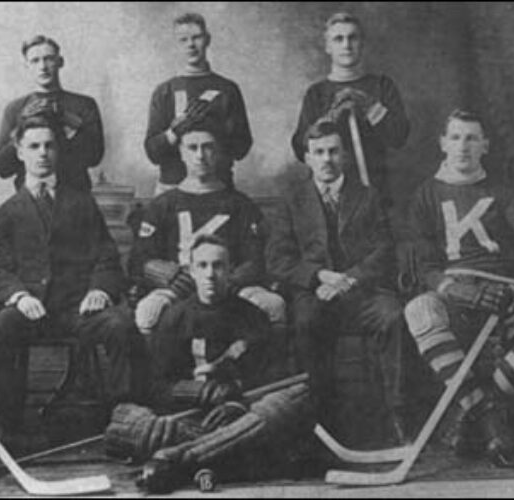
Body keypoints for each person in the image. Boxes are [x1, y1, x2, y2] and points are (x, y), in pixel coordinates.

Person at [0, 115, 145, 460]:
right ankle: (6, 430)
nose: (42, 153)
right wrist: (19, 296)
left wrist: (99, 289)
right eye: (34, 146)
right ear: (20, 152)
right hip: (30, 310)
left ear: (59, 151)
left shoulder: (81, 203)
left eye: (49, 145)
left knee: (120, 325)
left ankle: (125, 422)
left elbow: (107, 258)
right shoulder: (7, 213)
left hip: (76, 309)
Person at [104, 236, 315, 494]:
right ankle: (220, 459)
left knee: (291, 404)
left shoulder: (252, 316)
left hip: (242, 416)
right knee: (145, 425)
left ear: (230, 269)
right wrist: (201, 392)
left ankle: (177, 461)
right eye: (202, 266)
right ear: (192, 271)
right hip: (192, 418)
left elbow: (271, 379)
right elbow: (155, 386)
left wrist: (236, 402)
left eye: (218, 266)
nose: (210, 274)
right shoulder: (174, 318)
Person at [404, 109, 514, 468]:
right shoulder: (425, 195)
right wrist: (454, 289)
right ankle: (490, 418)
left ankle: (477, 405)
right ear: (442, 143)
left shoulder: (503, 189)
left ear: (485, 145)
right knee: (418, 309)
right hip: (457, 294)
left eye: (472, 138)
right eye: (455, 137)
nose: (463, 146)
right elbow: (424, 265)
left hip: (510, 294)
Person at [268, 119, 408, 435]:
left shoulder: (367, 196)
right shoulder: (293, 200)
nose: (327, 159)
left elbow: (385, 249)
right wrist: (319, 276)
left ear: (344, 155)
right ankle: (319, 417)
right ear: (307, 157)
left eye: (333, 151)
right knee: (306, 322)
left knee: (392, 316)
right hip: (315, 293)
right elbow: (278, 259)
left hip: (363, 293)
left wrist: (350, 278)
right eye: (319, 152)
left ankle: (396, 412)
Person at [132, 122, 287, 375]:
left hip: (230, 285)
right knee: (148, 311)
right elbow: (140, 259)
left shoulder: (240, 204)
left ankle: (266, 380)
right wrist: (172, 276)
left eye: (208, 148)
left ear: (219, 152)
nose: (200, 155)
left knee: (274, 305)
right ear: (181, 152)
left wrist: (228, 280)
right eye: (192, 148)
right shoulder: (162, 205)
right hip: (179, 285)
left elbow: (258, 257)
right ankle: (159, 385)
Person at [291, 12, 409, 206]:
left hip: (373, 188)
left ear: (362, 43)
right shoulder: (316, 92)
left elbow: (399, 136)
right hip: (329, 194)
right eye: (338, 39)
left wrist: (369, 105)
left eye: (352, 37)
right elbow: (299, 148)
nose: (346, 45)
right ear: (328, 47)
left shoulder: (381, 86)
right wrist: (329, 119)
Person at [145, 12, 252, 194]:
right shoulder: (164, 91)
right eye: (183, 40)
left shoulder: (227, 89)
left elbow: (242, 147)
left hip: (218, 189)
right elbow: (152, 152)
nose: (191, 45)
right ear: (175, 45)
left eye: (196, 37)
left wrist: (211, 129)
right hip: (172, 190)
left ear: (207, 40)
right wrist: (174, 132)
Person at [0, 35, 104, 192]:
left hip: (75, 198)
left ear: (60, 62)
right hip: (31, 201)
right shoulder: (15, 109)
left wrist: (64, 117)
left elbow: (94, 157)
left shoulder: (84, 105)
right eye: (35, 61)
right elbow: (2, 168)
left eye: (49, 59)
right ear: (27, 66)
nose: (43, 66)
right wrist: (23, 124)